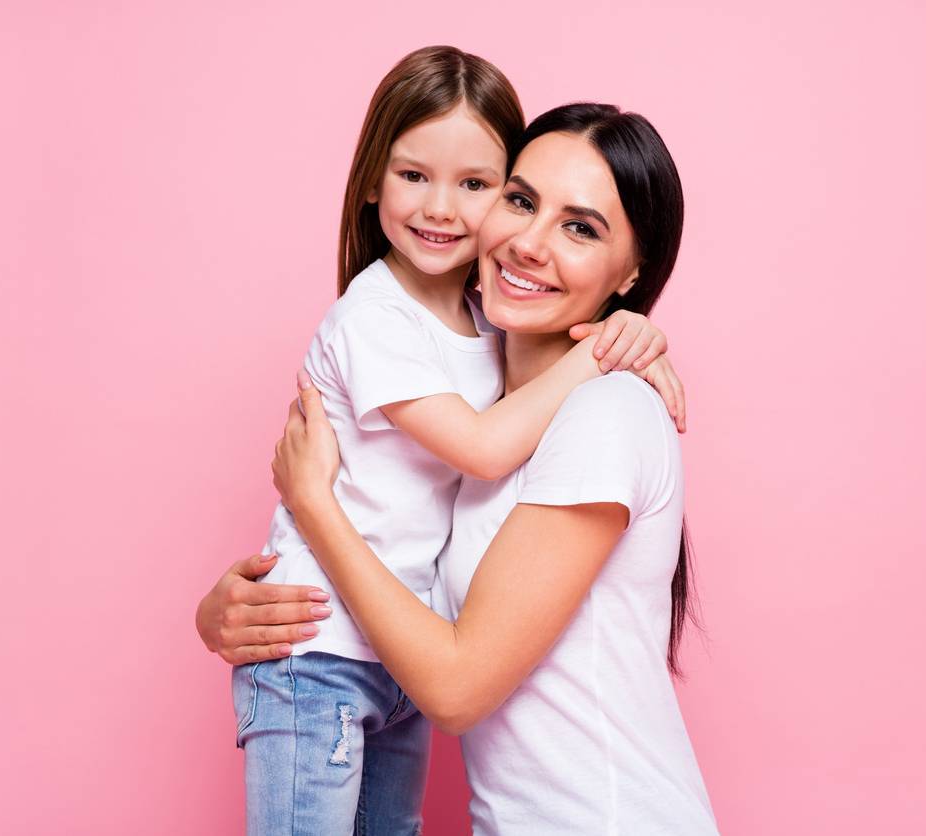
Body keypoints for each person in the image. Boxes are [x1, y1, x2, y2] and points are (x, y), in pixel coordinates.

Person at [197, 46, 685, 834]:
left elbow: (455, 685)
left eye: (582, 228)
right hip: (350, 674)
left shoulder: (601, 413)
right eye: (522, 201)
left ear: (632, 271)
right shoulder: (462, 361)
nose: (527, 242)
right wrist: (230, 611)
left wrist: (313, 507)